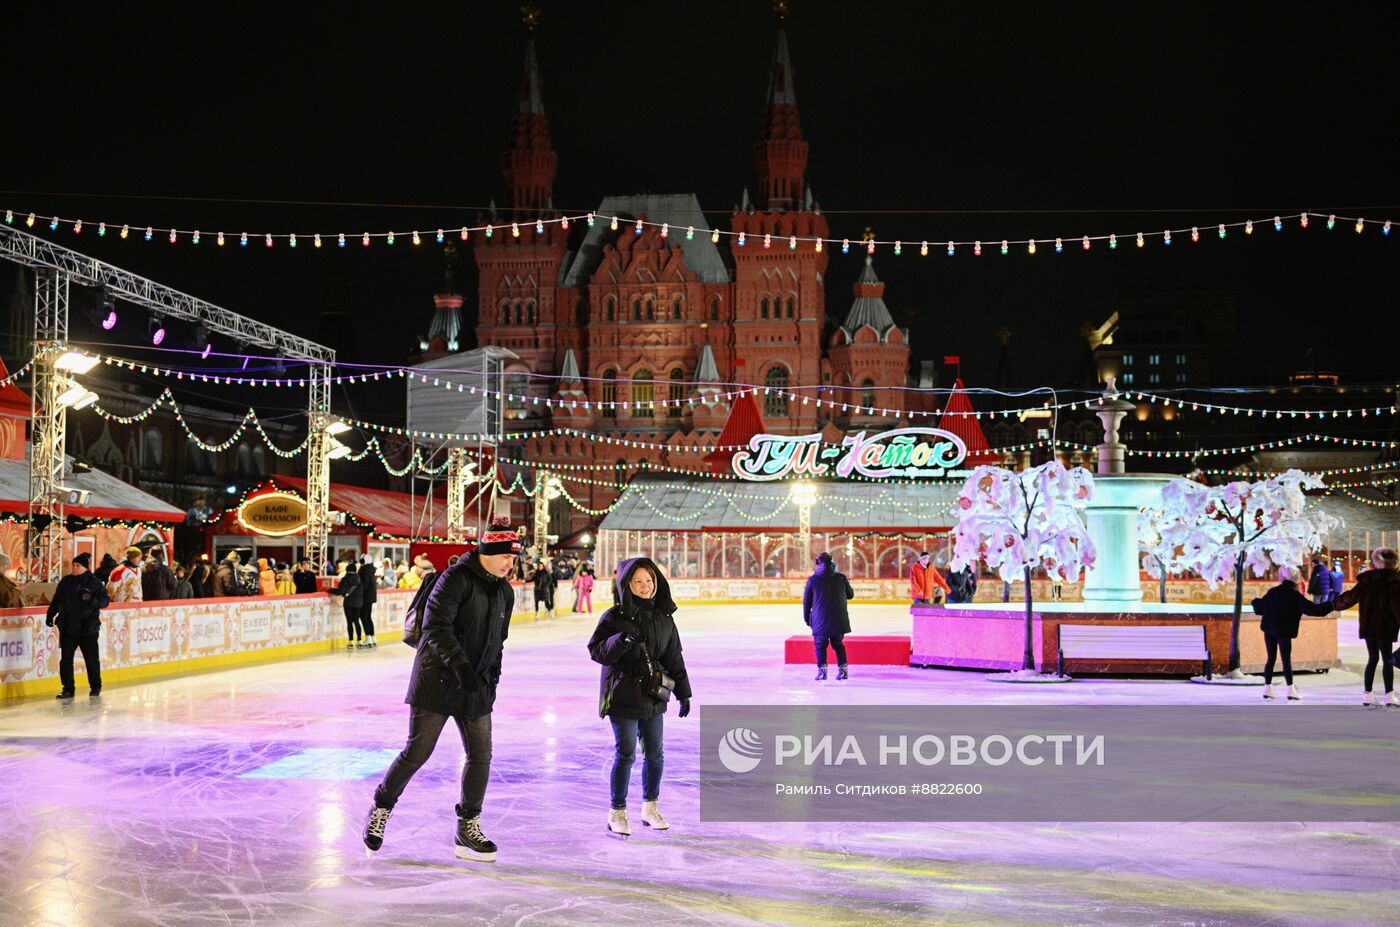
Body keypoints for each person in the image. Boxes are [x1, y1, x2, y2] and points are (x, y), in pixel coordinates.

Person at [364, 516, 520, 861]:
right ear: (489, 552)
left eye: (514, 558)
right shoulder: (455, 579)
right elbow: (435, 627)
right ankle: (381, 808)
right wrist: (463, 668)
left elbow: (499, 641)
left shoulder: (505, 591)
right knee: (417, 752)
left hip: (475, 686)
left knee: (481, 755)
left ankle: (468, 826)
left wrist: (490, 677)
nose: (511, 564)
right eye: (506, 556)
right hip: (436, 681)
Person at [588, 557, 692, 837]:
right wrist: (621, 640)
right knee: (626, 754)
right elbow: (596, 650)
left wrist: (684, 693)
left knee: (655, 754)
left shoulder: (663, 617)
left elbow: (674, 658)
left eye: (649, 581)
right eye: (638, 582)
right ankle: (617, 811)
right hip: (622, 695)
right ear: (627, 585)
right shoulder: (613, 617)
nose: (645, 587)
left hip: (653, 695)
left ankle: (650, 806)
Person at [1251, 565, 1334, 700]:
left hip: (1269, 629)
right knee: (1286, 660)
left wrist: (1255, 601)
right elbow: (1314, 610)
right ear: (1296, 579)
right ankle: (1290, 690)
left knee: (1271, 658)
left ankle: (1267, 688)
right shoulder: (1296, 596)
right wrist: (1331, 605)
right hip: (1283, 631)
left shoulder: (1273, 592)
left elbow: (1260, 608)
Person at [1331, 547, 1400, 707]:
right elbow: (1398, 607)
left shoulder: (1367, 580)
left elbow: (1350, 597)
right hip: (1385, 626)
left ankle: (1368, 694)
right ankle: (1389, 695)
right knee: (1387, 660)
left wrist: (1332, 605)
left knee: (1373, 659)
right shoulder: (1395, 581)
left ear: (1376, 562)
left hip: (1369, 626)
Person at [45, 553, 109, 699]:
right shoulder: (66, 581)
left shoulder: (94, 582)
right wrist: (50, 614)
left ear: (85, 567)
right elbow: (57, 600)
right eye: (73, 564)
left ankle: (95, 687)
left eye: (77, 565)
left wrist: (92, 599)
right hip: (68, 627)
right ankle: (68, 688)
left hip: (88, 628)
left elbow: (105, 601)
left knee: (91, 659)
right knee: (66, 660)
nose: (74, 567)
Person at [803, 551, 855, 681]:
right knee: (838, 645)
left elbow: (806, 602)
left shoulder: (813, 580)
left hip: (820, 620)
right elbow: (850, 595)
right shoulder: (841, 578)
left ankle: (822, 673)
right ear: (832, 562)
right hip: (839, 619)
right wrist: (846, 581)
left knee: (820, 645)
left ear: (818, 563)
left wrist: (807, 619)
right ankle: (843, 672)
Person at [332, 561, 365, 648]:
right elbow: (362, 591)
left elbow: (340, 591)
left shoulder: (345, 579)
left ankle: (351, 641)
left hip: (349, 603)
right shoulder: (360, 579)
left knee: (350, 622)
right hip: (359, 603)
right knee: (357, 621)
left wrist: (329, 590)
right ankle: (359, 640)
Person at [358, 556, 379, 647]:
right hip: (371, 597)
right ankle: (372, 637)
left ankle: (368, 637)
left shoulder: (364, 570)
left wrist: (359, 591)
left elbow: (365, 584)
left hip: (365, 597)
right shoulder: (371, 570)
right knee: (367, 616)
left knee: (364, 616)